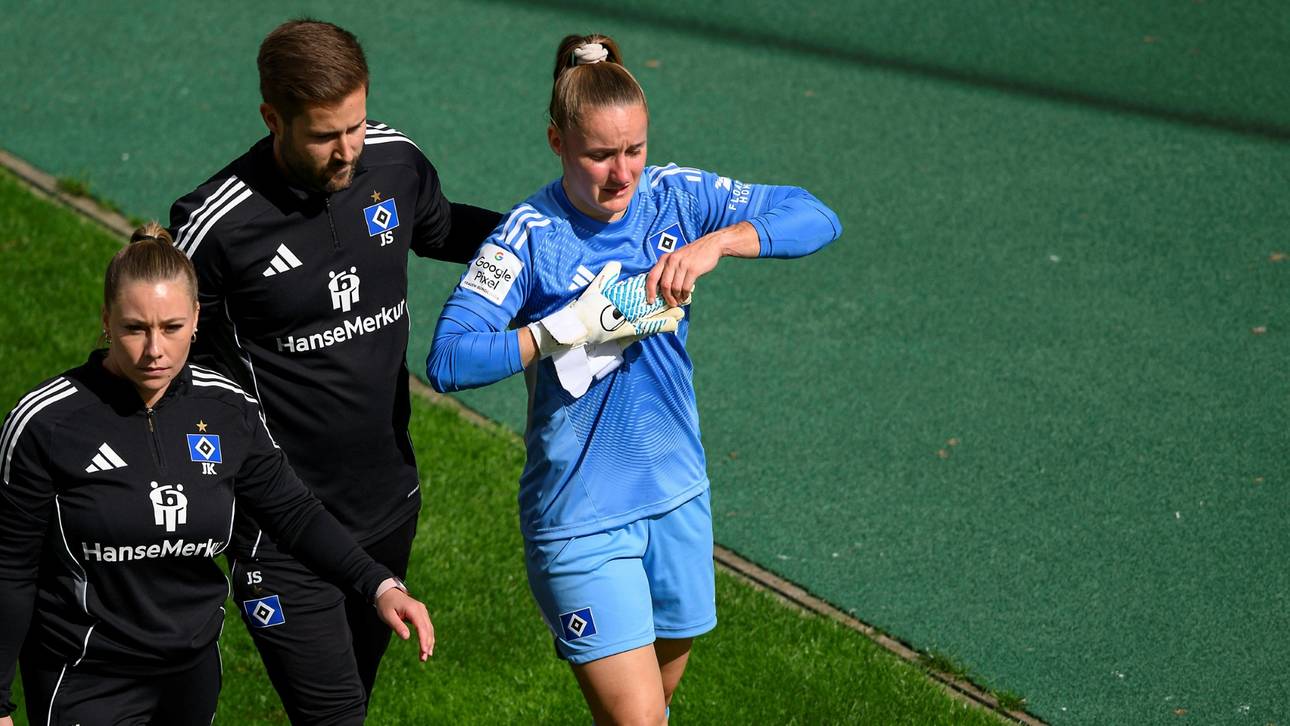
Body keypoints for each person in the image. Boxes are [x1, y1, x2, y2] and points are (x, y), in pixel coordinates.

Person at [426, 33, 842, 724]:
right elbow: (449, 358)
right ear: (557, 141)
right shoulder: (526, 238)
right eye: (599, 154)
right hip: (580, 518)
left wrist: (718, 243)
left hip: (677, 497)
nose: (622, 175)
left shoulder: (675, 197)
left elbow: (814, 215)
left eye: (634, 150)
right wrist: (563, 328)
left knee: (657, 708)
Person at [166, 19, 501, 722]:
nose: (347, 149)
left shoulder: (395, 162)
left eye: (356, 123)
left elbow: (440, 231)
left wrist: (553, 238)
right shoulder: (214, 225)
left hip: (390, 505)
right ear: (272, 118)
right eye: (324, 135)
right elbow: (179, 377)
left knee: (354, 699)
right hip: (280, 528)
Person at [0, 225, 432, 726]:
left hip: (190, 675)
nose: (154, 350)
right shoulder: (47, 423)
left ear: (198, 319)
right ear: (105, 320)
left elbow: (293, 512)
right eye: (135, 328)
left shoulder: (227, 409)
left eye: (172, 327)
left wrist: (379, 585)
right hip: (87, 677)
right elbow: (10, 566)